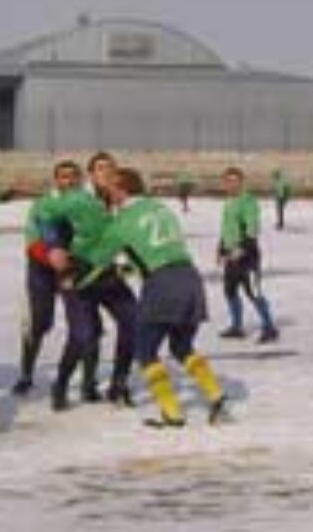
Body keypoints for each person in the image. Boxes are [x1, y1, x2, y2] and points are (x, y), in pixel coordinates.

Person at [87, 168, 228, 427]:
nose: (107, 192)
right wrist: (129, 266)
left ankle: (171, 412)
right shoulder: (160, 208)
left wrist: (77, 279)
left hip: (162, 283)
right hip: (189, 277)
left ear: (121, 190)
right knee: (182, 347)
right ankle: (216, 396)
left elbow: (97, 259)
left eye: (110, 188)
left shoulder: (122, 222)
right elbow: (152, 247)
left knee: (146, 351)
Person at [38, 182, 137, 411]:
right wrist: (53, 246)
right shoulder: (77, 199)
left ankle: (118, 384)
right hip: (77, 274)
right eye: (101, 169)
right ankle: (60, 385)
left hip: (108, 274)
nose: (107, 175)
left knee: (133, 321)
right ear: (92, 174)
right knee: (83, 334)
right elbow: (44, 213)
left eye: (111, 170)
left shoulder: (123, 205)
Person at [11, 159, 83, 396]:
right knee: (39, 323)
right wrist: (50, 256)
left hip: (71, 269)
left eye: (73, 176)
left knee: (82, 323)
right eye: (64, 176)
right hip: (41, 268)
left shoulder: (87, 205)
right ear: (56, 180)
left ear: (79, 179)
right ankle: (26, 373)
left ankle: (81, 380)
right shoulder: (43, 204)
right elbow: (32, 240)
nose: (69, 180)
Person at [217, 167, 279, 343]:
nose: (231, 184)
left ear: (241, 182)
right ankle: (237, 326)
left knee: (253, 292)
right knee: (230, 291)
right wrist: (221, 250)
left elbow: (252, 230)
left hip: (248, 256)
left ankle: (270, 327)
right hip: (231, 255)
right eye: (228, 181)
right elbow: (226, 228)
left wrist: (241, 249)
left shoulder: (248, 201)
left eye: (235, 181)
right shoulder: (229, 202)